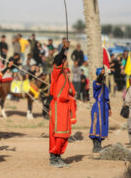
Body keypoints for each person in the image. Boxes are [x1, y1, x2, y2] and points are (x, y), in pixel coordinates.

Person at [49, 40, 74, 168]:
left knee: (64, 133)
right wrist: (63, 49)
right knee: (58, 132)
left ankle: (59, 156)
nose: (66, 62)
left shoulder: (65, 74)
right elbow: (58, 59)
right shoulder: (56, 72)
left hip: (64, 106)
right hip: (57, 106)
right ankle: (53, 157)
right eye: (65, 60)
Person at [89, 68, 111, 153]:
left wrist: (109, 108)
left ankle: (99, 145)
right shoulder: (96, 83)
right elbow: (98, 81)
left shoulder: (105, 86)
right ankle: (95, 146)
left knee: (103, 126)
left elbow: (107, 98)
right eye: (102, 75)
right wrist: (101, 74)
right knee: (96, 125)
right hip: (97, 107)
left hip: (104, 107)